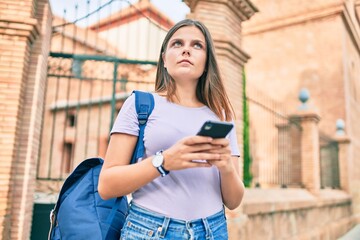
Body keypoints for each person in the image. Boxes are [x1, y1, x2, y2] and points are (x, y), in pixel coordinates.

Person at [98, 19, 245, 239]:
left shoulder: (221, 115)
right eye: (177, 43)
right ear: (164, 59)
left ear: (207, 62)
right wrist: (163, 162)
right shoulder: (140, 105)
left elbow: (233, 201)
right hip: (149, 230)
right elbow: (107, 185)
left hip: (212, 231)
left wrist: (226, 168)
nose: (186, 49)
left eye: (197, 45)